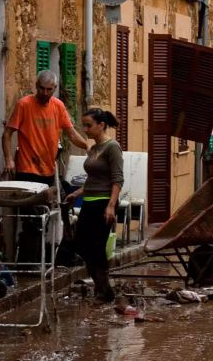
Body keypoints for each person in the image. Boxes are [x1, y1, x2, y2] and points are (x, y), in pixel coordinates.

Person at [2, 70, 88, 262]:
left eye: (49, 89)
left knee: (53, 212)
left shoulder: (58, 106)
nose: (45, 93)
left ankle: (52, 256)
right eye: (41, 88)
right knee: (31, 218)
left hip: (48, 170)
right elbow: (7, 134)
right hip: (27, 170)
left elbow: (71, 133)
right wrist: (9, 159)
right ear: (36, 86)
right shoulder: (24, 104)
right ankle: (30, 260)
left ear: (54, 89)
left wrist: (89, 146)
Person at [63, 109, 123, 303]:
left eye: (89, 125)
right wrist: (76, 193)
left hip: (104, 203)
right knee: (81, 244)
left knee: (97, 246)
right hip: (89, 202)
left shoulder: (112, 147)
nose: (85, 129)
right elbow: (92, 179)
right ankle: (102, 289)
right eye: (84, 125)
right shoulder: (94, 148)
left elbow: (117, 179)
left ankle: (103, 291)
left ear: (101, 125)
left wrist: (111, 206)